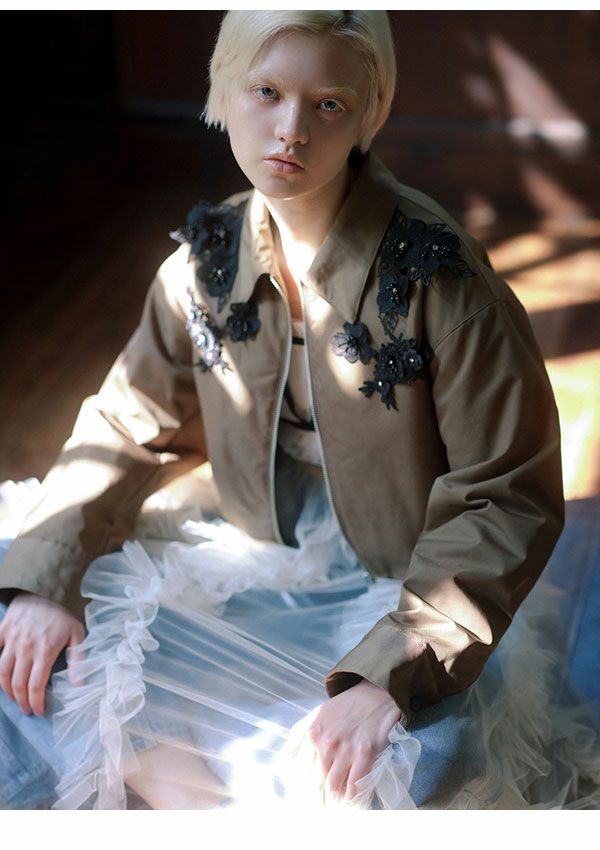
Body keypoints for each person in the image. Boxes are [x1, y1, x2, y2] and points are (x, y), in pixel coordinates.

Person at [0, 10, 598, 810]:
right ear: (224, 91)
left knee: (418, 766)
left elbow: (507, 494)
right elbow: (124, 421)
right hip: (252, 550)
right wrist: (47, 579)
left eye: (328, 104)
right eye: (267, 92)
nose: (291, 130)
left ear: (368, 114)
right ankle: (211, 806)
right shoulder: (206, 258)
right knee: (28, 632)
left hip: (403, 579)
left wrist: (388, 676)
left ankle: (205, 776)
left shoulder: (441, 280)